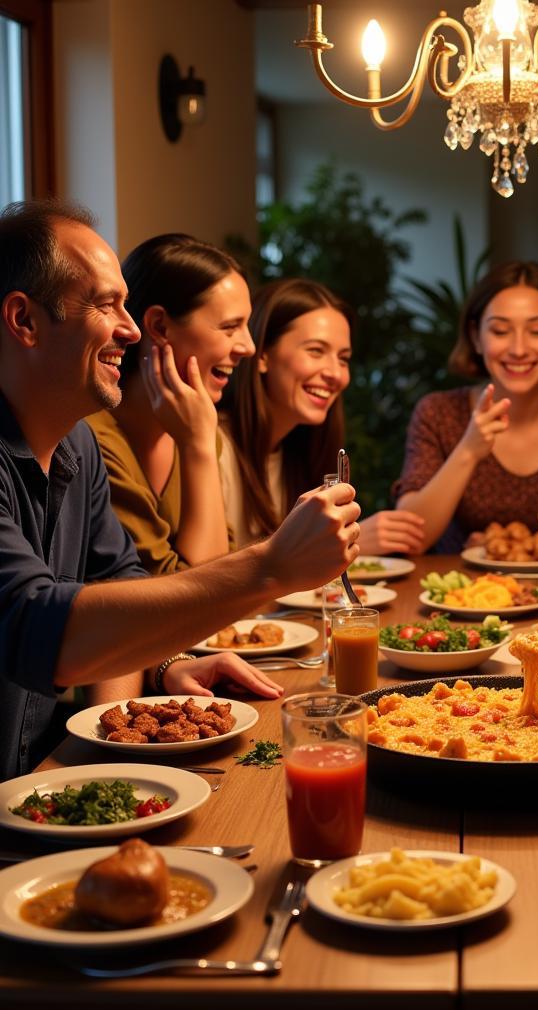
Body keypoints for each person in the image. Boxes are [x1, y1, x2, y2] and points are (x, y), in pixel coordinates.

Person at [0, 199, 360, 780]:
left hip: (48, 779)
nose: (132, 328)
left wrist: (125, 726)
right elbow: (36, 626)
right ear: (24, 321)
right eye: (105, 305)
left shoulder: (78, 447)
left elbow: (117, 581)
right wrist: (270, 567)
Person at [394, 261, 538, 551]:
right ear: (476, 337)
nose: (518, 349)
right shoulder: (439, 412)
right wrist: (467, 451)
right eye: (501, 331)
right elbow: (408, 539)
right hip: (459, 592)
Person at [218, 278, 425, 552]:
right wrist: (340, 543)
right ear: (263, 354)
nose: (335, 374)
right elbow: (208, 580)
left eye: (343, 358)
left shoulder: (299, 452)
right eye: (316, 351)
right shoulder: (214, 446)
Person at [87, 233, 253, 574]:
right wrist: (198, 448)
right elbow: (200, 593)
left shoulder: (199, 428)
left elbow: (226, 573)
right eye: (230, 327)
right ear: (159, 326)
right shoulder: (92, 443)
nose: (248, 347)